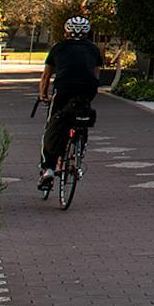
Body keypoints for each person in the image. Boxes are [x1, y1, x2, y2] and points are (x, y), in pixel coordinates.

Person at [38, 16, 104, 189]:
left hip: (64, 89)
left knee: (52, 125)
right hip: (87, 90)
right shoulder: (94, 50)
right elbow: (96, 75)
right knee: (82, 116)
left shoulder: (58, 48)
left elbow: (46, 76)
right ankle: (78, 153)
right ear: (87, 32)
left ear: (66, 30)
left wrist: (43, 95)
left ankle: (48, 169)